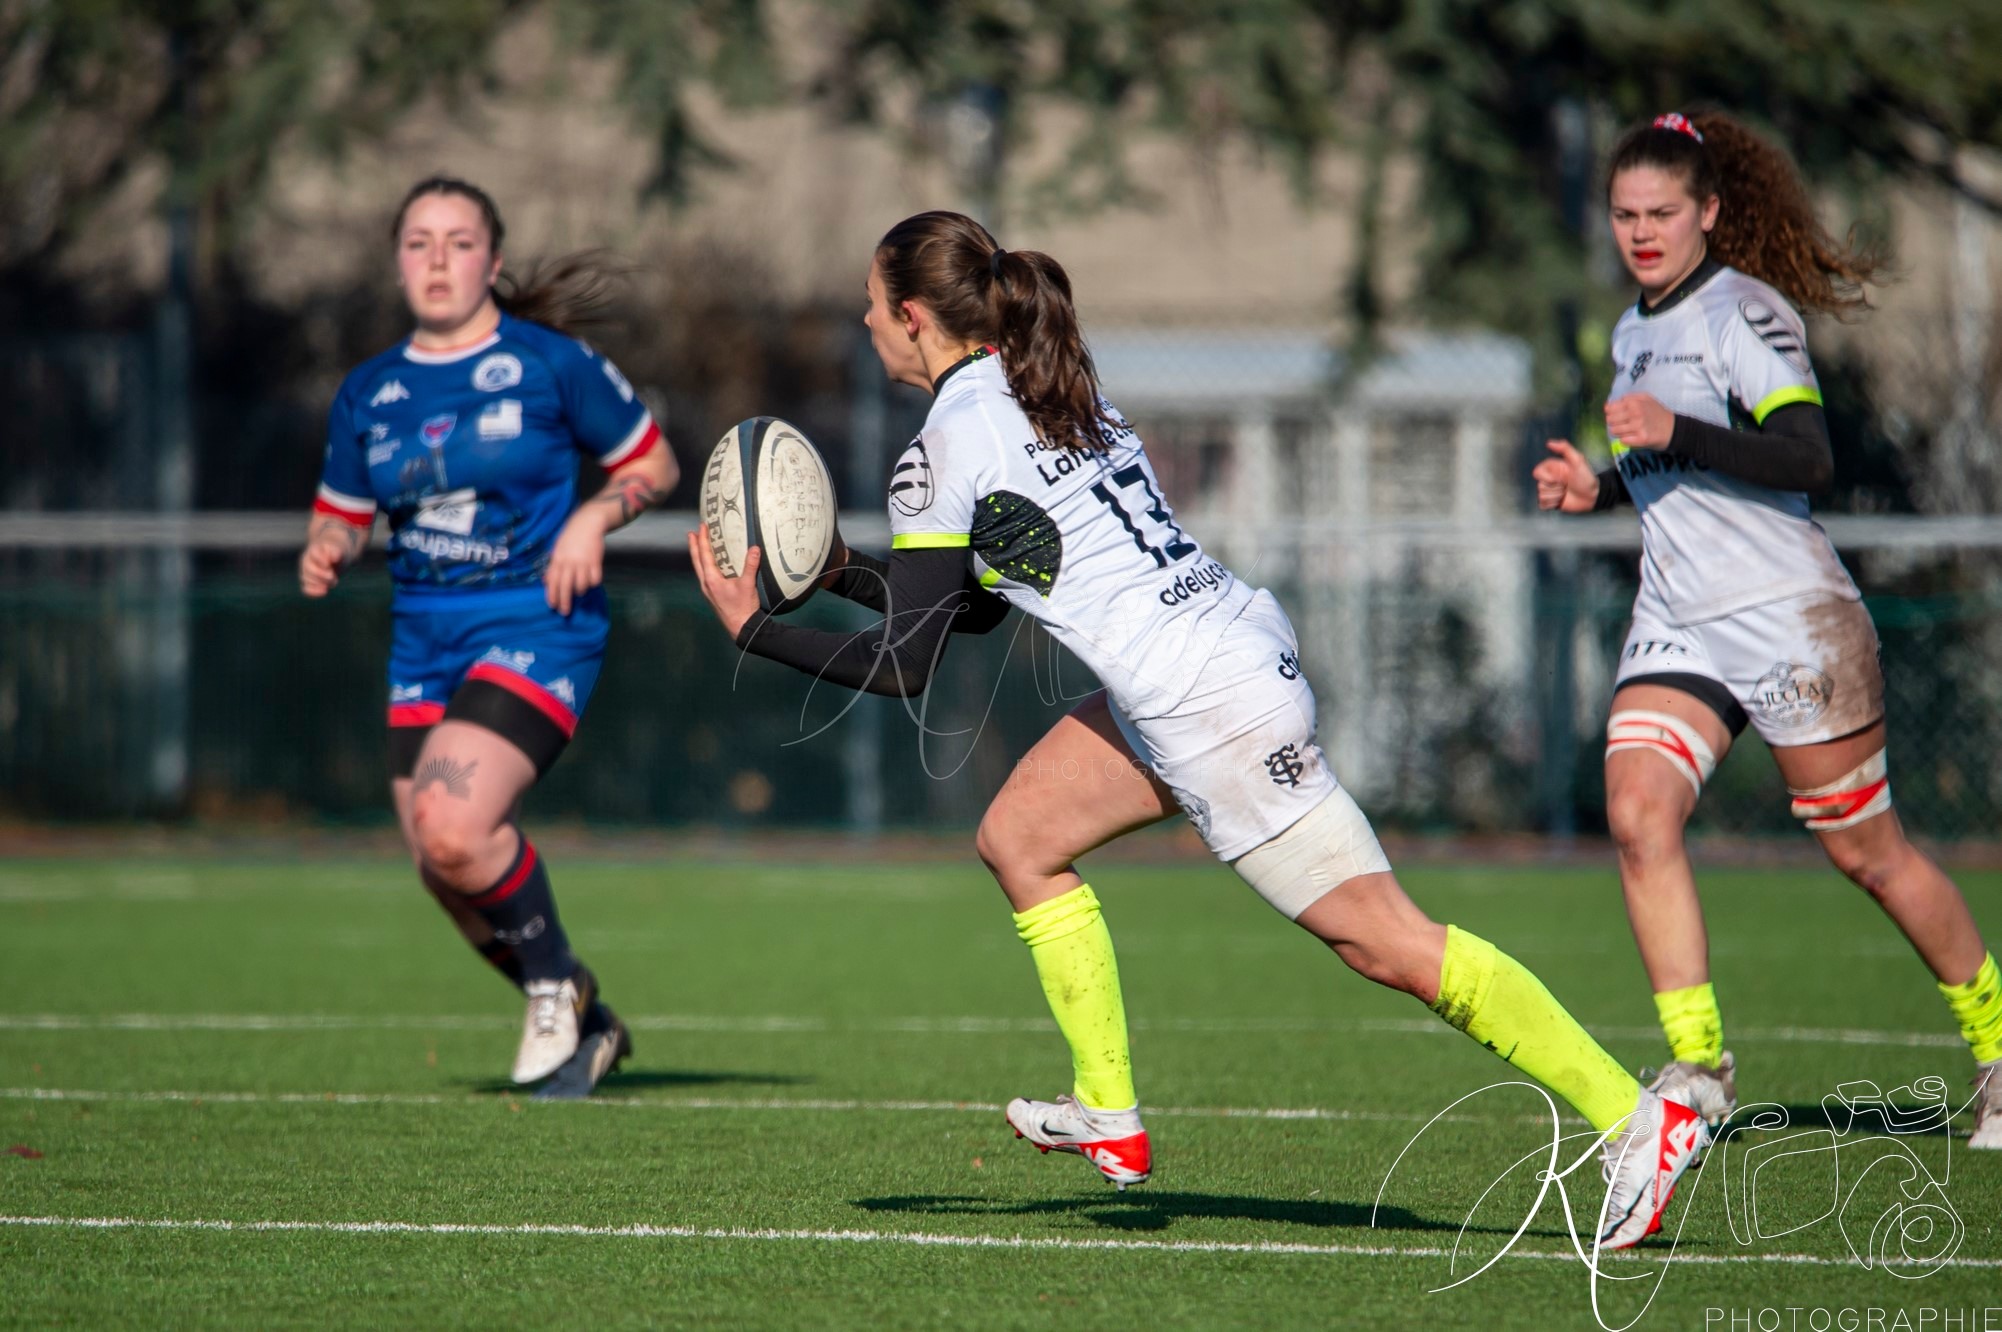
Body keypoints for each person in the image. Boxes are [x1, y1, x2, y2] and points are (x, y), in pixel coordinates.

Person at [690, 209, 1707, 1247]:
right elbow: (982, 603)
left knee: (1390, 944)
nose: (863, 319)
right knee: (1020, 840)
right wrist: (832, 577)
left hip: (1203, 704)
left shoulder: (940, 447)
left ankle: (1639, 1120)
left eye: (871, 302)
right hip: (1209, 658)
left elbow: (909, 665)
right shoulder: (1049, 385)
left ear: (911, 318)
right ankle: (1108, 1115)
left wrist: (755, 632)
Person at [1532, 112, 2001, 1147]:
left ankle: (1998, 1049)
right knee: (1636, 814)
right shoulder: (1631, 328)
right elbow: (1678, 475)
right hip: (1680, 621)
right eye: (1623, 215)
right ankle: (1698, 1070)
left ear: (1707, 212)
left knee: (1868, 856)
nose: (1641, 232)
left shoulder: (1743, 312)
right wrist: (1601, 488)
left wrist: (1675, 431)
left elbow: (1803, 456)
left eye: (1662, 212)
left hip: (1787, 617)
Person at [300, 176, 678, 1099]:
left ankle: (554, 985)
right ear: (398, 261)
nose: (437, 260)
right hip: (421, 642)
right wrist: (328, 544)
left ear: (493, 262)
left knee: (453, 822)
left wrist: (594, 519)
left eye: (458, 242)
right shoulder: (370, 391)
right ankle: (587, 1021)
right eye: (419, 242)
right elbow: (342, 513)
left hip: (533, 623)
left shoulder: (551, 365)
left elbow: (654, 463)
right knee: (444, 865)